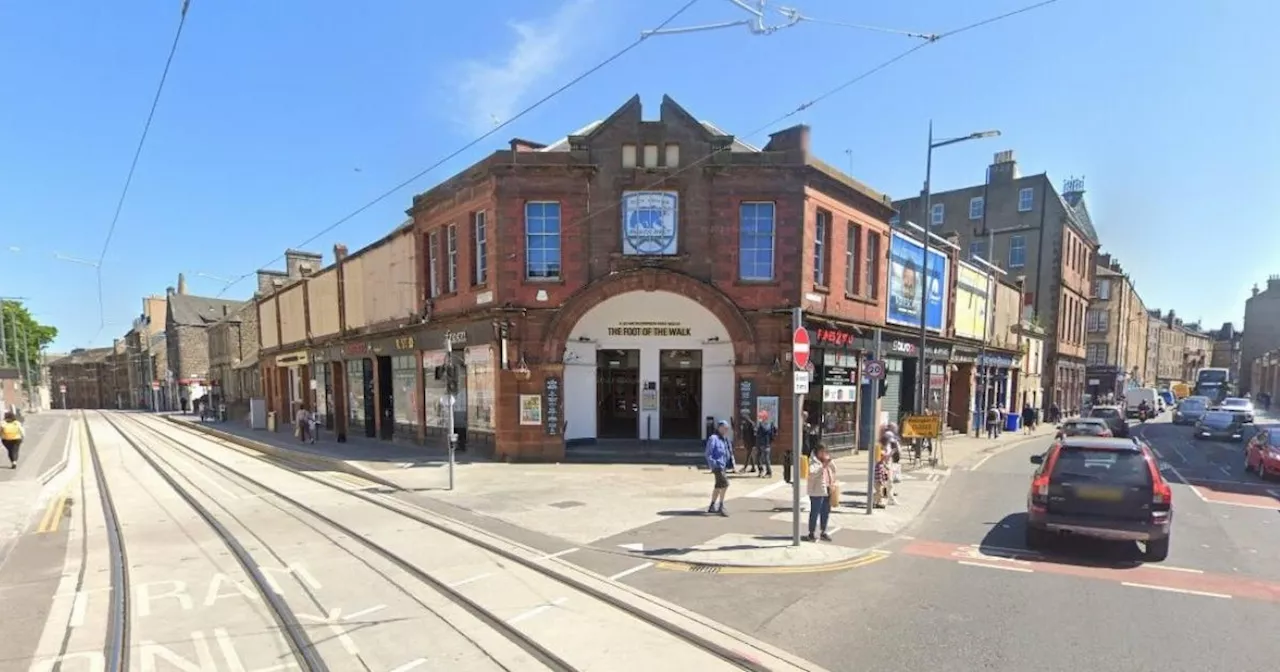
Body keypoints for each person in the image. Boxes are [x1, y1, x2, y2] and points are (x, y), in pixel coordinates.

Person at [805, 443, 835, 542]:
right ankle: (811, 533)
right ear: (817, 452)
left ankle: (823, 532)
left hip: (827, 488)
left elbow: (834, 470)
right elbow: (812, 474)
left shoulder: (825, 460)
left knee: (825, 512)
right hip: (816, 491)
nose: (823, 453)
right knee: (815, 512)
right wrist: (823, 466)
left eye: (824, 451)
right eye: (821, 452)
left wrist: (830, 462)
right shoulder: (812, 461)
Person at [704, 419, 732, 516]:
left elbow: (728, 452)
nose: (726, 430)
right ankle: (721, 506)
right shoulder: (713, 438)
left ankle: (712, 505)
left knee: (718, 486)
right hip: (717, 466)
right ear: (719, 428)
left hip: (723, 465)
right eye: (724, 428)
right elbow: (708, 453)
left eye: (727, 429)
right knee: (725, 484)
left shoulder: (724, 439)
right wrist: (714, 464)